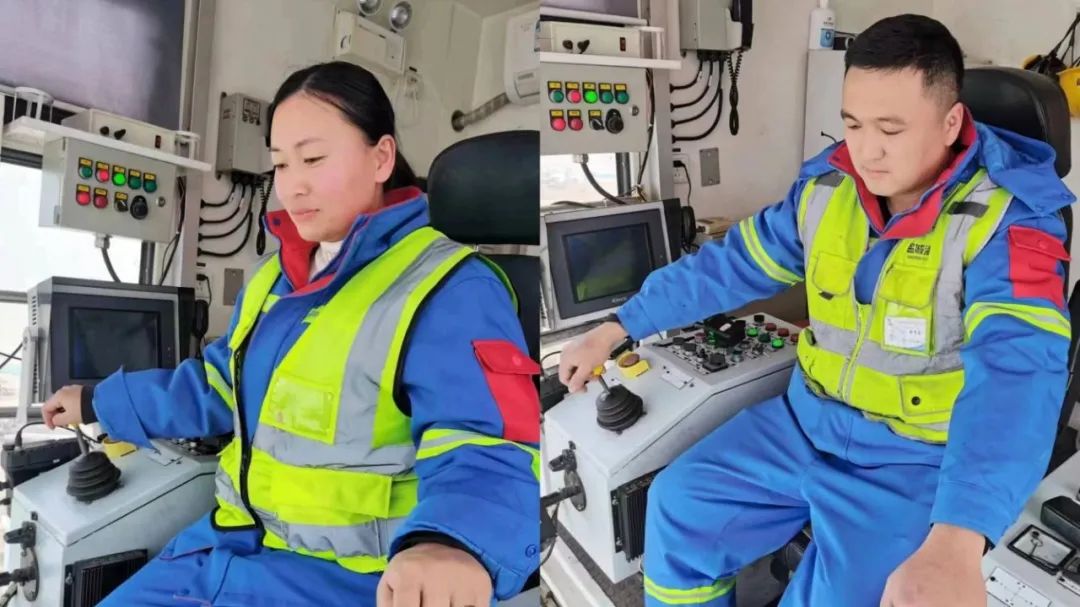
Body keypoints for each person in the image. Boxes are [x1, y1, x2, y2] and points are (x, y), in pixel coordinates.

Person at [559, 14, 1072, 607]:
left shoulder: (1008, 223)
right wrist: (617, 327)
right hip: (804, 424)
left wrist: (959, 537)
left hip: (914, 459)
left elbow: (1017, 374)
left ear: (951, 122)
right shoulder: (828, 189)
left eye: (891, 128)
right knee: (679, 508)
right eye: (853, 124)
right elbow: (730, 265)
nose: (867, 150)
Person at [43, 61, 541, 607]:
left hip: (349, 579)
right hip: (226, 547)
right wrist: (98, 401)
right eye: (280, 163)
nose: (293, 185)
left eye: (313, 158)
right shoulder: (274, 279)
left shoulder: (451, 288)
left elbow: (485, 445)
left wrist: (449, 544)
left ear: (381, 157)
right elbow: (218, 386)